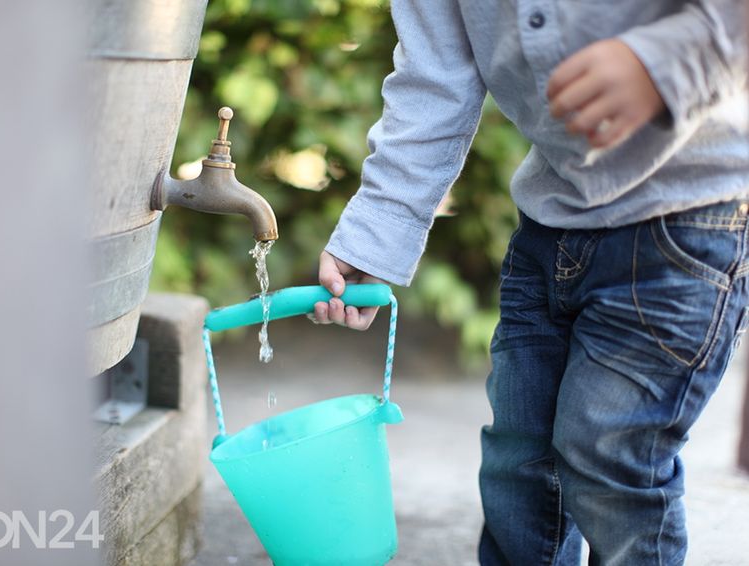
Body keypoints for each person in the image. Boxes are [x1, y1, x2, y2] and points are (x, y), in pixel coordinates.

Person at [310, 1, 749, 564]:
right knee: (519, 462)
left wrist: (663, 62)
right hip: (550, 224)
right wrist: (379, 232)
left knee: (610, 455)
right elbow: (435, 76)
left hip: (689, 217)